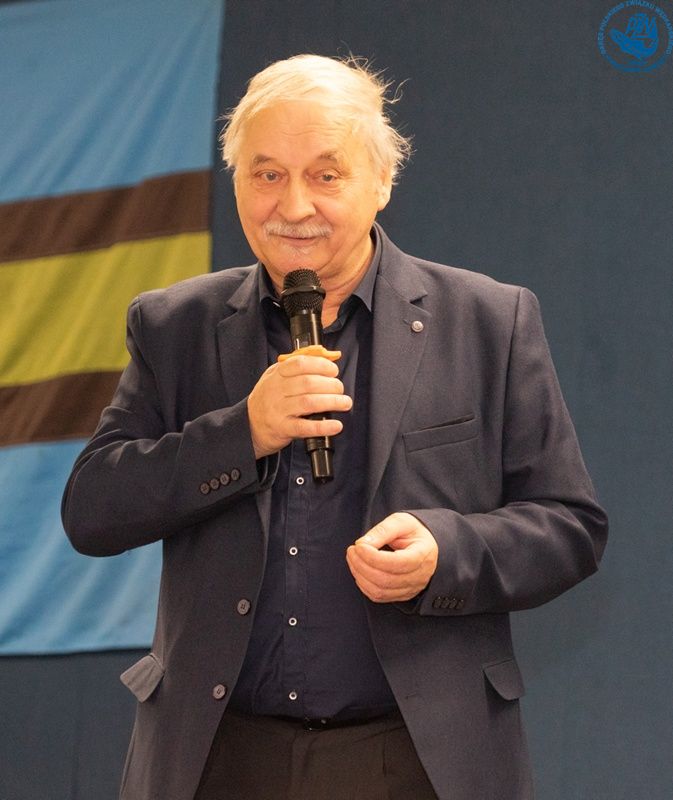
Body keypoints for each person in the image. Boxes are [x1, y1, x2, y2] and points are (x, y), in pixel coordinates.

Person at [62, 54, 608, 800]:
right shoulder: (172, 325)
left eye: (326, 174)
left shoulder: (489, 320)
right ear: (236, 182)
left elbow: (570, 527)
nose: (293, 206)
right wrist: (243, 433)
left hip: (414, 758)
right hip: (215, 757)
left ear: (380, 181)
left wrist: (446, 551)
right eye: (266, 174)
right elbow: (93, 510)